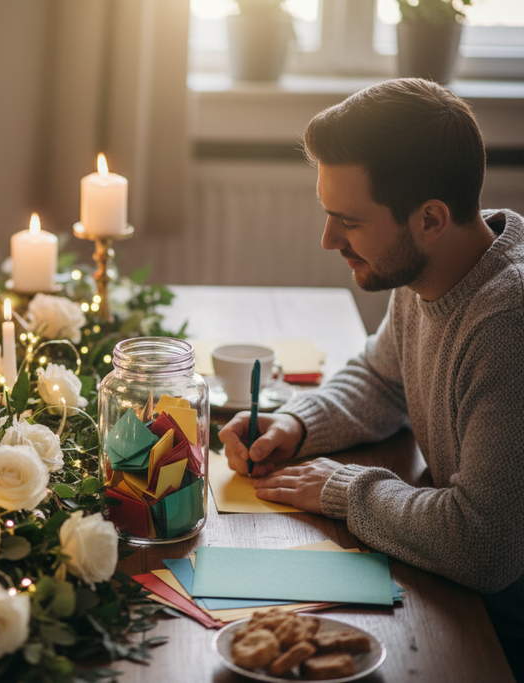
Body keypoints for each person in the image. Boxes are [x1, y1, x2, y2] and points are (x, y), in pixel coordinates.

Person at [219, 77, 524, 679]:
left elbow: (484, 544)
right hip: (457, 591)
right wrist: (296, 423)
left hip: (498, 629)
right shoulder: (432, 268)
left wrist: (342, 489)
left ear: (430, 218)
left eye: (348, 221)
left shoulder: (506, 325)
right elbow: (383, 380)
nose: (328, 239)